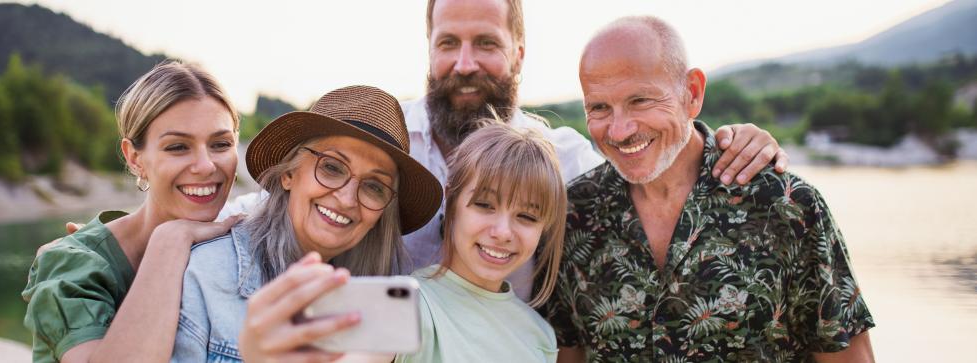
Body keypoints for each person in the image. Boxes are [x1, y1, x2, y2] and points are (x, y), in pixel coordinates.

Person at [223, 0, 793, 300]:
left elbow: (649, 159)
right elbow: (288, 200)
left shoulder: (563, 158)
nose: (465, 63)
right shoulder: (387, 146)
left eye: (486, 44)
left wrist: (724, 138)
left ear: (519, 54)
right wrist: (174, 229)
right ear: (429, 52)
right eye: (449, 43)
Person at [542, 16, 875, 362]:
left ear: (693, 93)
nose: (620, 130)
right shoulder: (572, 215)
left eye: (640, 100)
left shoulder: (787, 207)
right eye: (599, 108)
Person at [171, 85, 444, 362]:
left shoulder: (373, 307)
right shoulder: (207, 274)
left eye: (374, 187)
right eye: (332, 167)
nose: (348, 199)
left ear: (381, 214)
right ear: (289, 173)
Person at [21, 61, 245, 363]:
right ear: (135, 158)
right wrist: (168, 242)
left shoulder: (235, 244)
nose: (205, 165)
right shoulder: (74, 266)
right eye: (178, 147)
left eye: (221, 144)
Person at [395, 123, 568, 363]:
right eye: (485, 205)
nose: (503, 232)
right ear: (451, 200)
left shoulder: (541, 335)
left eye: (527, 216)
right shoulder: (406, 304)